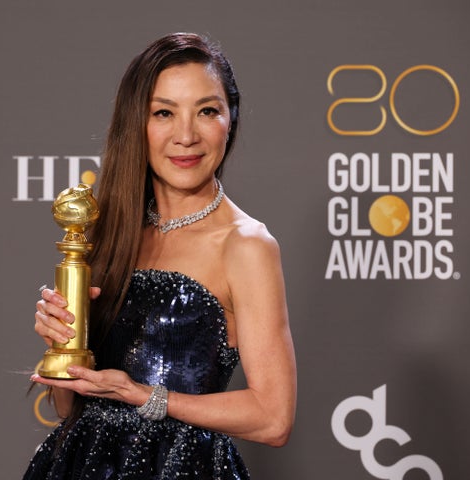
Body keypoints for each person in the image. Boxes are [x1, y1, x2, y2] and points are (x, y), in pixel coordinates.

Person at [24, 32, 296, 480]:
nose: (186, 135)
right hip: (79, 463)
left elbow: (273, 418)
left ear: (230, 119)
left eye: (207, 111)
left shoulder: (246, 245)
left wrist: (144, 395)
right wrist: (62, 344)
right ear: (138, 124)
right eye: (164, 113)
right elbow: (68, 405)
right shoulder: (109, 229)